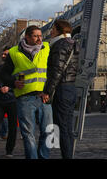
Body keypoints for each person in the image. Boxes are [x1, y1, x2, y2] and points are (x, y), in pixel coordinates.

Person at [0, 25, 53, 159]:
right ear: (27, 37)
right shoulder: (13, 52)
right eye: (35, 36)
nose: (39, 39)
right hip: (24, 98)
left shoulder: (47, 48)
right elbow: (4, 74)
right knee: (28, 134)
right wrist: (13, 82)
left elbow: (53, 71)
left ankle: (43, 156)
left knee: (48, 131)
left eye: (40, 35)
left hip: (44, 97)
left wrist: (49, 91)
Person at [42, 19, 78, 159]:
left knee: (62, 128)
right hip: (70, 88)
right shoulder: (74, 44)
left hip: (62, 88)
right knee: (67, 127)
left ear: (59, 30)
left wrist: (47, 92)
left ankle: (67, 156)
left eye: (53, 29)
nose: (51, 32)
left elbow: (57, 71)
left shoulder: (60, 45)